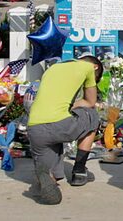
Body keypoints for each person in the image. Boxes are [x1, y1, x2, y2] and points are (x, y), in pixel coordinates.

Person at [27, 55, 103, 205]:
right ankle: (79, 171)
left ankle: (49, 178)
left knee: (50, 166)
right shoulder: (88, 68)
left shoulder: (53, 68)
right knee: (92, 115)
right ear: (95, 67)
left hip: (35, 128)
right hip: (60, 126)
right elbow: (90, 101)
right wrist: (73, 105)